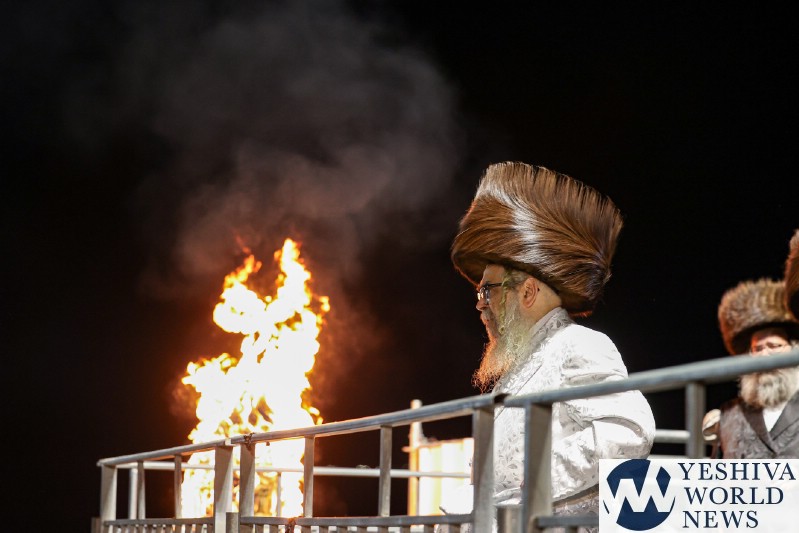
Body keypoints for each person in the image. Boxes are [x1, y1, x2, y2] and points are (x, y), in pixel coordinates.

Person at [445, 161, 656, 531]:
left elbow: (629, 431)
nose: (480, 304)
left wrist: (529, 487)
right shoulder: (519, 364)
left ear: (528, 291)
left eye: (487, 290)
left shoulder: (580, 344)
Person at [703, 277, 799, 458]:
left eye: (774, 346)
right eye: (757, 349)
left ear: (794, 349)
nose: (765, 356)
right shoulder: (729, 415)